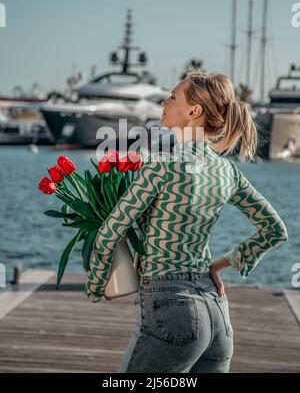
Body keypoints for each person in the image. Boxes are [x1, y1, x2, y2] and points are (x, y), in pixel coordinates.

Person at [85, 70, 288, 373]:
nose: (164, 103)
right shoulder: (227, 171)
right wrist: (223, 263)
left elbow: (110, 232)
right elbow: (275, 230)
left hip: (172, 312)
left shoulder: (161, 166)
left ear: (194, 111)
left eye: (173, 97)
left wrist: (97, 286)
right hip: (217, 317)